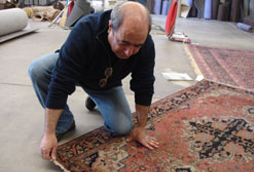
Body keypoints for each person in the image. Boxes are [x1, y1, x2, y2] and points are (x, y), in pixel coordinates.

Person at [28, 1, 159, 160]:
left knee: (122, 127)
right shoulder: (85, 29)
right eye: (124, 42)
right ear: (110, 27)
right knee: (38, 69)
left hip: (106, 81)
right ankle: (65, 123)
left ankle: (96, 97)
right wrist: (49, 133)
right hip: (76, 70)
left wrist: (140, 127)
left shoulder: (146, 44)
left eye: (136, 46)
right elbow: (61, 81)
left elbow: (144, 85)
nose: (129, 52)